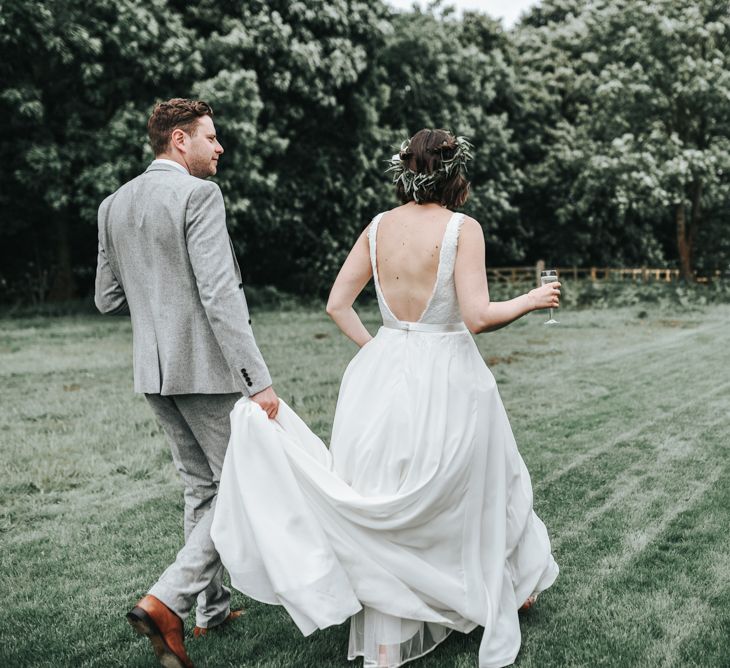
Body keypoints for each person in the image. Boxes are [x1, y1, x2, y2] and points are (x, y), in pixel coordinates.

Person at [211, 128, 560, 668]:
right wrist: (533, 299)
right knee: (475, 487)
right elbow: (478, 317)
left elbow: (337, 303)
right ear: (454, 173)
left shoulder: (376, 228)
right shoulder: (463, 229)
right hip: (448, 372)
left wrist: (382, 347)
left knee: (385, 488)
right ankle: (488, 592)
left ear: (406, 171)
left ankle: (393, 622)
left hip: (383, 371)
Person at [94, 98, 279, 668]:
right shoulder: (200, 195)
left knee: (202, 488)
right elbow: (221, 297)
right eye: (211, 137)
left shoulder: (112, 204)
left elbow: (106, 299)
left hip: (153, 372)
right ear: (180, 140)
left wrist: (154, 296)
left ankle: (211, 611)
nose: (219, 147)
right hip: (206, 369)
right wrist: (258, 381)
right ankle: (167, 601)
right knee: (243, 487)